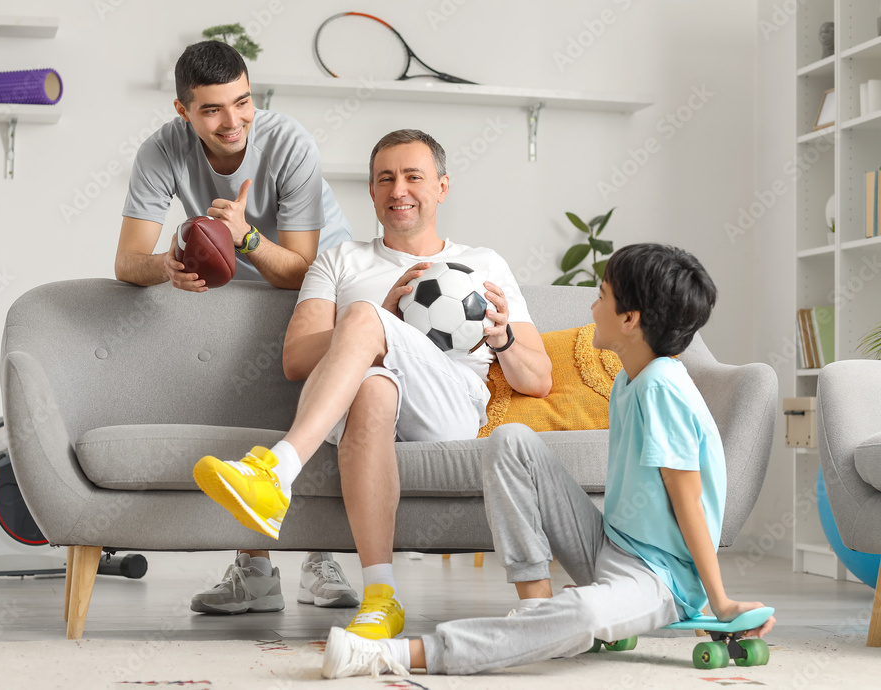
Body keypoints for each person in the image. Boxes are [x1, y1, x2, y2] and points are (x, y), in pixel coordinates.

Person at [318, 243, 777, 678]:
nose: (592, 308)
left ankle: (393, 654)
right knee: (510, 440)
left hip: (663, 580)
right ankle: (537, 608)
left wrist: (718, 601)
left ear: (630, 319)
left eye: (602, 297)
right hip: (608, 547)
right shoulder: (629, 381)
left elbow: (689, 500)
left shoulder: (662, 388)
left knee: (583, 614)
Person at [192, 129, 553, 640]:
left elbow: (539, 380)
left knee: (363, 318)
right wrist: (380, 322)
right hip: (358, 410)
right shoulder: (339, 261)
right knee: (373, 385)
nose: (398, 189)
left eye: (413, 176)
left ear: (442, 187)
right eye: (385, 178)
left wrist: (503, 338)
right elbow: (296, 359)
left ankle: (277, 469)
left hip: (448, 409)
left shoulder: (485, 264)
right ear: (371, 191)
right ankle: (381, 597)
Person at [114, 40, 358, 616]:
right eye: (213, 110)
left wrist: (246, 237)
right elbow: (128, 262)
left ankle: (321, 558)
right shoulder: (161, 152)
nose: (233, 122)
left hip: (324, 276)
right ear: (183, 112)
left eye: (243, 102)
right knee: (243, 407)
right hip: (242, 281)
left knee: (319, 409)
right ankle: (254, 572)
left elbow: (301, 269)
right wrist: (167, 266)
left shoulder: (289, 143)